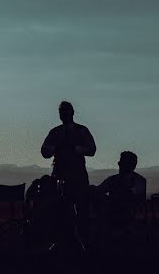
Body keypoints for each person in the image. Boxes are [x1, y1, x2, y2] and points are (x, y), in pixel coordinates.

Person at [41, 101, 96, 250]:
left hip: (76, 175)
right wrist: (56, 147)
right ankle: (63, 240)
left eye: (65, 112)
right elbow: (44, 151)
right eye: (61, 112)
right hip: (61, 174)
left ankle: (81, 240)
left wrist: (74, 148)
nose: (63, 115)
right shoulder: (56, 132)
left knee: (81, 209)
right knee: (60, 208)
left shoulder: (81, 131)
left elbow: (92, 149)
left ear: (72, 113)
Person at [95, 151, 146, 228]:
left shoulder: (138, 181)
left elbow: (134, 198)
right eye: (120, 162)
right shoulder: (113, 180)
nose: (119, 164)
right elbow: (98, 191)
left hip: (127, 221)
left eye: (122, 162)